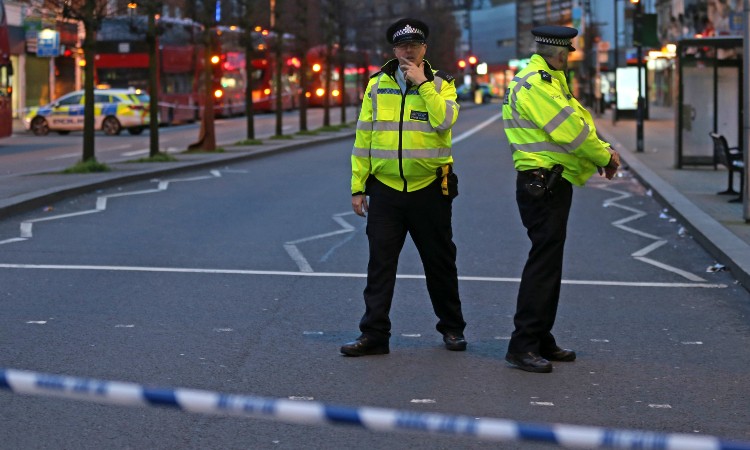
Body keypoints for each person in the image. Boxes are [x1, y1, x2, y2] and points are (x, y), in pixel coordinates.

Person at [340, 18, 466, 357]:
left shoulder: (442, 85)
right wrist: (358, 186)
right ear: (393, 50)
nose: (408, 50)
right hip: (386, 190)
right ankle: (374, 334)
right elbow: (364, 136)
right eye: (402, 45)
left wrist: (424, 84)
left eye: (415, 44)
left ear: (425, 48)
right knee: (380, 265)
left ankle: (452, 329)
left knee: (439, 262)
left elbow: (444, 121)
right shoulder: (376, 85)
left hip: (429, 189)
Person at [501, 25, 620, 373]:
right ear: (557, 52)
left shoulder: (549, 82)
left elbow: (578, 126)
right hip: (542, 184)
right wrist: (604, 156)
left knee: (549, 265)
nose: (568, 58)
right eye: (567, 52)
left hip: (550, 182)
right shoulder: (537, 83)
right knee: (543, 265)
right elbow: (572, 131)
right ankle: (522, 344)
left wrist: (600, 153)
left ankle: (539, 337)